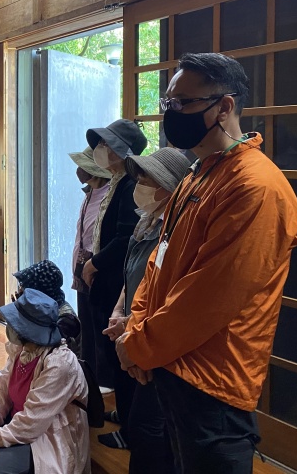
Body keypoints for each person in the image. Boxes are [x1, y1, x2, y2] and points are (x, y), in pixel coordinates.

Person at [116, 53, 297, 473]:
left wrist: (138, 345)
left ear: (225, 106)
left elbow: (209, 298)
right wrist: (136, 329)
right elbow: (159, 262)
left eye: (183, 103)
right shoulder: (196, 174)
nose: (171, 113)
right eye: (168, 103)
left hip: (213, 380)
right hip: (169, 361)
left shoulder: (255, 186)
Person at [99, 147, 189, 463]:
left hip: (155, 335)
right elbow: (133, 273)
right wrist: (119, 311)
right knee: (140, 416)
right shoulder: (147, 221)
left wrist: (133, 325)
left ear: (168, 186)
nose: (139, 186)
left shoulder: (179, 229)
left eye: (147, 180)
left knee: (149, 426)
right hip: (133, 327)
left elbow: (170, 293)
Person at [0, 288, 90, 474]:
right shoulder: (21, 349)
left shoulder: (59, 363)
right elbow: (1, 395)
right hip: (19, 420)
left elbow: (32, 422)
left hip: (46, 432)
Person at [82, 120, 147, 391]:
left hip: (117, 281)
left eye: (105, 144)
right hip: (109, 279)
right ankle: (121, 408)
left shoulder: (130, 185)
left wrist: (93, 263)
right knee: (110, 352)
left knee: (119, 354)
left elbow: (125, 238)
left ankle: (125, 413)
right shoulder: (117, 182)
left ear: (122, 151)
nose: (99, 148)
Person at [0, 260, 81, 405]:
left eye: (25, 286)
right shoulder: (37, 308)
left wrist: (23, 318)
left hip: (52, 373)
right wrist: (20, 314)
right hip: (30, 363)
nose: (21, 289)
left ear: (40, 290)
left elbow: (37, 350)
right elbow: (17, 347)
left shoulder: (67, 319)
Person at [68, 146, 111, 379]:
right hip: (81, 268)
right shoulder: (89, 195)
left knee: (98, 329)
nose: (79, 170)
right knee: (86, 326)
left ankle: (102, 381)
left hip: (96, 270)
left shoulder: (108, 195)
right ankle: (87, 376)